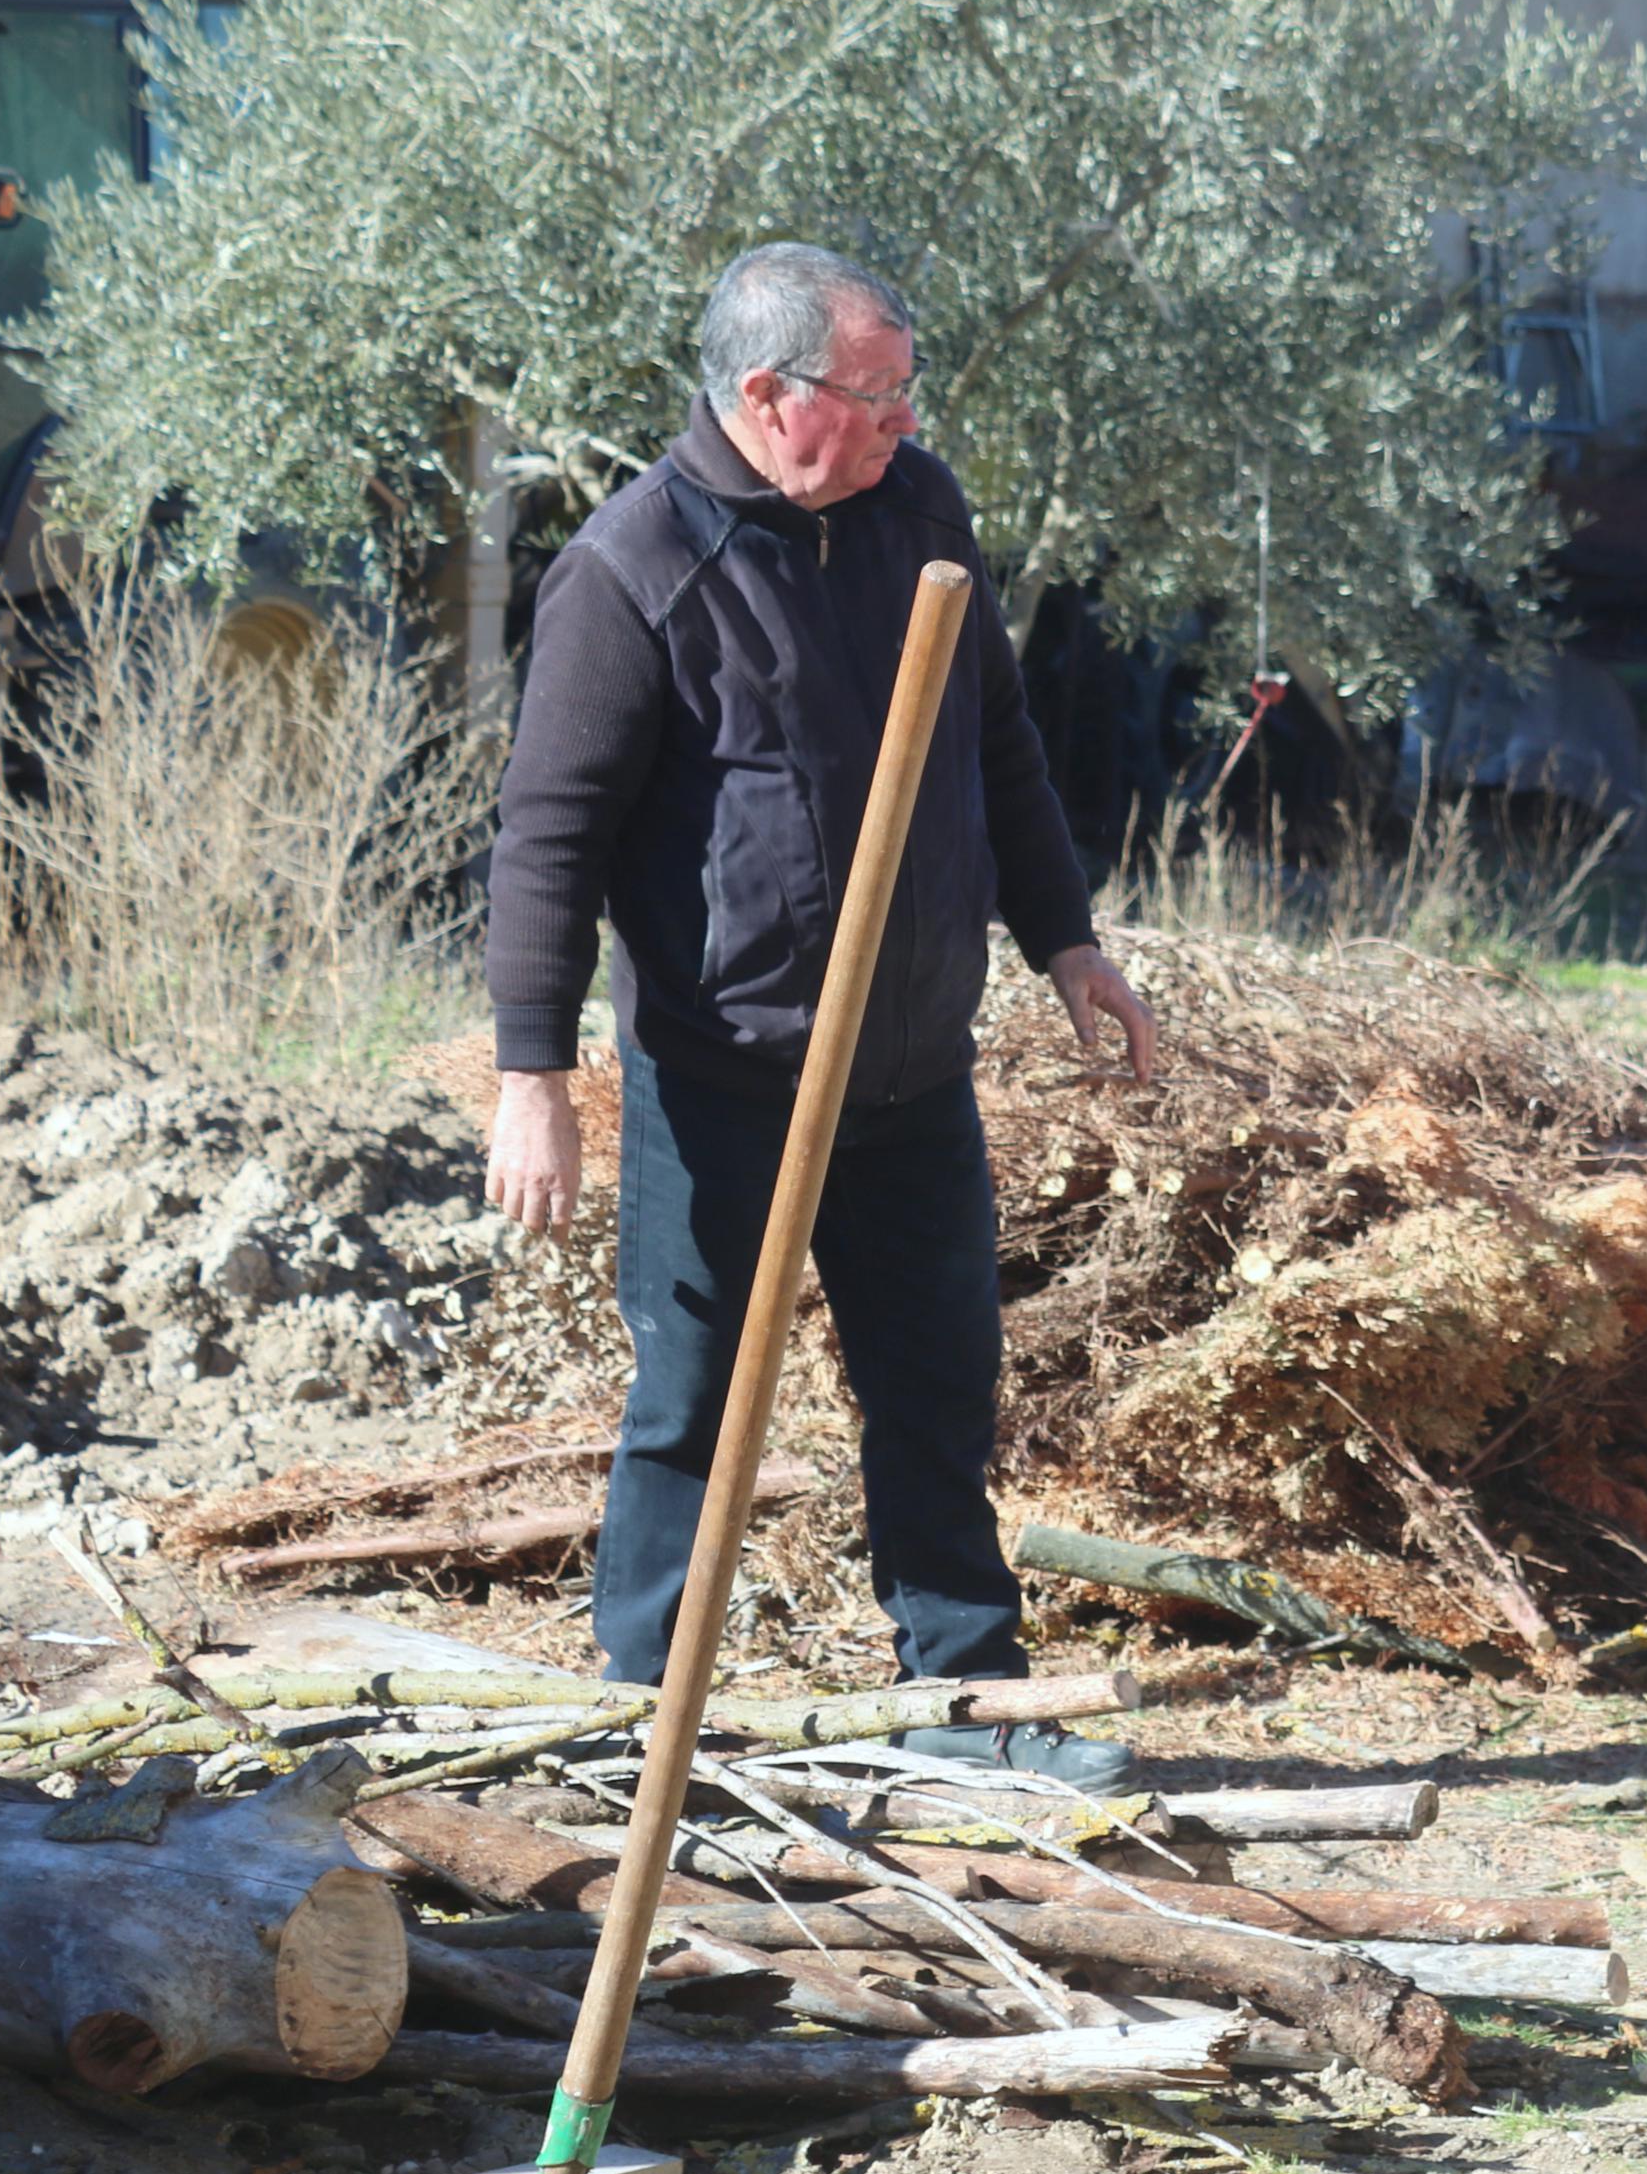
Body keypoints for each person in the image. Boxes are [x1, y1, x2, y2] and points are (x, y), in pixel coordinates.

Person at [479, 242, 1155, 1789]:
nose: (907, 420)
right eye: (880, 392)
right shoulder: (635, 569)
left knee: (938, 1380)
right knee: (694, 1403)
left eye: (911, 390)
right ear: (770, 397)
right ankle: (639, 1728)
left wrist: (1067, 943)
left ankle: (966, 1705)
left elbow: (998, 744)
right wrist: (533, 1073)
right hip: (729, 1076)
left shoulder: (918, 511)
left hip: (911, 1066)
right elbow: (548, 839)